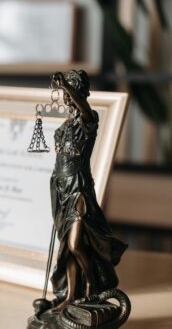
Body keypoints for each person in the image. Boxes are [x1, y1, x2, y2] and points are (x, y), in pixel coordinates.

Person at [49, 70, 127, 311]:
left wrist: (67, 87)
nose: (67, 97)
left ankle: (93, 284)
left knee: (75, 244)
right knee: (66, 249)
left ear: (81, 93)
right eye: (65, 92)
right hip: (60, 188)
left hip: (79, 188)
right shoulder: (64, 126)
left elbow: (83, 106)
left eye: (71, 91)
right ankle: (70, 296)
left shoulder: (88, 120)